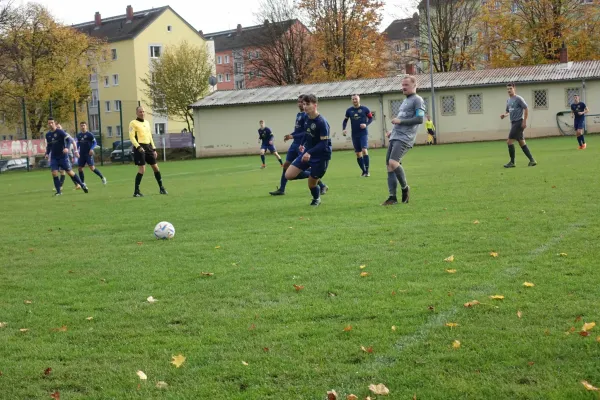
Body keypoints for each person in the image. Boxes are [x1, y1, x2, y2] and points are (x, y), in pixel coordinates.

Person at [269, 95, 328, 196]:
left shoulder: (308, 116)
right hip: (296, 144)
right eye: (300, 102)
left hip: (304, 145)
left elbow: (306, 133)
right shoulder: (299, 115)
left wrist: (293, 136)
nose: (301, 104)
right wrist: (292, 135)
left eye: (303, 103)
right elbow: (299, 130)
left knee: (303, 166)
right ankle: (282, 189)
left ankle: (320, 183)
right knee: (286, 165)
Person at [382, 75, 425, 206]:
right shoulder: (405, 100)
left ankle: (405, 188)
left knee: (393, 163)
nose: (403, 87)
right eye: (402, 85)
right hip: (396, 136)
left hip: (404, 138)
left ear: (414, 86)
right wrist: (392, 131)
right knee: (389, 166)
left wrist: (400, 121)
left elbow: (419, 119)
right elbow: (401, 119)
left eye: (406, 85)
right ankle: (392, 197)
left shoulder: (418, 100)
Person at [284, 94, 332, 206]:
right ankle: (312, 174)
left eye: (308, 104)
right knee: (288, 175)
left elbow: (323, 144)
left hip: (321, 156)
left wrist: (309, 152)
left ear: (315, 105)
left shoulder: (322, 122)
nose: (305, 106)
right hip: (307, 153)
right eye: (304, 104)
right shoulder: (307, 119)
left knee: (311, 184)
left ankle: (316, 199)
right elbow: (307, 134)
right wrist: (302, 144)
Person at [130, 106, 167, 197]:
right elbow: (131, 137)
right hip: (140, 147)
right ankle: (136, 191)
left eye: (143, 111)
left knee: (156, 167)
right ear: (137, 113)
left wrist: (154, 149)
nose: (142, 113)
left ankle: (161, 188)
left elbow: (150, 136)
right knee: (142, 169)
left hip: (148, 147)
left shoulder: (147, 122)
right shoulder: (133, 123)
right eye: (140, 112)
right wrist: (138, 147)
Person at [45, 117, 88, 196]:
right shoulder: (48, 135)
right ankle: (59, 192)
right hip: (54, 157)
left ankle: (82, 185)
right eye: (49, 123)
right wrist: (47, 153)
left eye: (52, 122)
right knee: (54, 173)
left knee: (70, 172)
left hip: (63, 157)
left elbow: (69, 140)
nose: (50, 124)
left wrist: (67, 148)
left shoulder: (60, 132)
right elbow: (49, 145)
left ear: (54, 123)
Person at [501, 82, 536, 168]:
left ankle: (512, 162)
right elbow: (508, 111)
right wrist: (504, 115)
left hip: (518, 122)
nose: (509, 90)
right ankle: (532, 160)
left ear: (514, 89)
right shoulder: (508, 100)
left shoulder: (518, 99)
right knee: (522, 143)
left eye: (510, 89)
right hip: (513, 123)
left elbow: (526, 108)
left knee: (509, 142)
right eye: (508, 89)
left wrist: (524, 121)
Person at [343, 94, 373, 176]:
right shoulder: (349, 110)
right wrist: (344, 129)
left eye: (356, 99)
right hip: (354, 134)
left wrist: (366, 124)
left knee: (364, 150)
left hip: (363, 133)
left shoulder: (365, 109)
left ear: (359, 99)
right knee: (358, 153)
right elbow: (345, 120)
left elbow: (371, 118)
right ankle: (363, 171)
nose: (354, 100)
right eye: (353, 99)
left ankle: (367, 171)